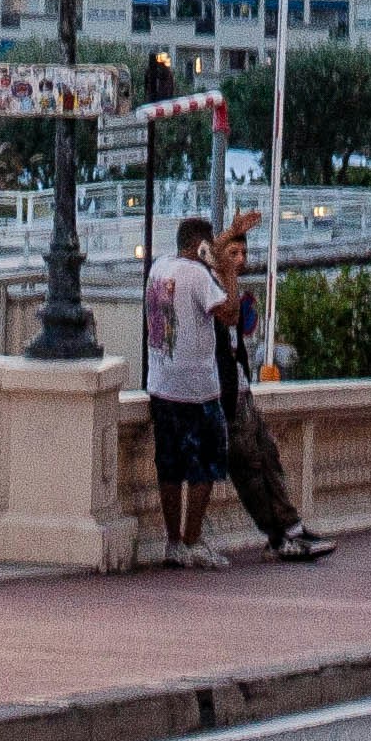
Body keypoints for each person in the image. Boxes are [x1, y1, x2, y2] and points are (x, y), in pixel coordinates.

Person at [207, 212, 332, 562]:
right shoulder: (211, 285)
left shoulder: (227, 285)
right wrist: (230, 234)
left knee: (268, 455)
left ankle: (290, 528)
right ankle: (279, 536)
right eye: (234, 253)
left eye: (243, 254)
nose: (240, 260)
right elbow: (228, 312)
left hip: (240, 387)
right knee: (248, 463)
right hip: (225, 392)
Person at [142, 213, 240, 567]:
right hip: (196, 389)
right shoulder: (198, 275)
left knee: (169, 466)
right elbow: (230, 314)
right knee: (205, 466)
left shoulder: (159, 267)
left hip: (161, 384)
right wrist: (228, 271)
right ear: (200, 246)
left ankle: (172, 543)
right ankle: (192, 539)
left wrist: (227, 237)